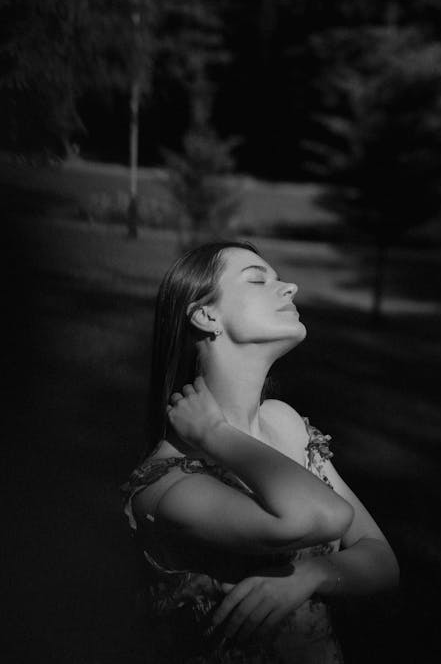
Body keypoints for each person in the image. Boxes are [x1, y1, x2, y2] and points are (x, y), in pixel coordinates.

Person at [121, 241, 399, 663]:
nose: (290, 287)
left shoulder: (284, 422)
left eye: (279, 278)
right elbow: (326, 517)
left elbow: (380, 558)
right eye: (257, 279)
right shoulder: (166, 484)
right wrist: (214, 434)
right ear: (206, 314)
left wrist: (313, 574)